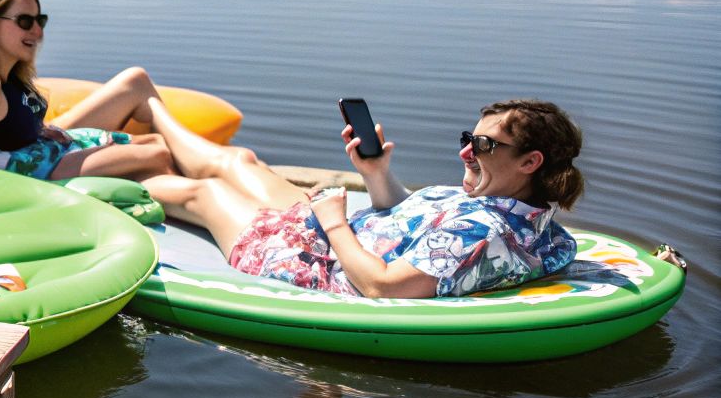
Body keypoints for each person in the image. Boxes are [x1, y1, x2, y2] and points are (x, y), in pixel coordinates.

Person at [140, 96, 583, 298]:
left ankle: (99, 179)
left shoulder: (482, 231)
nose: (466, 151)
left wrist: (333, 219)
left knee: (207, 191)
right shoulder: (528, 215)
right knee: (239, 160)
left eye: (484, 146)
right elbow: (410, 222)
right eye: (470, 137)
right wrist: (377, 174)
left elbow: (380, 286)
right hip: (327, 232)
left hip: (309, 260)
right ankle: (151, 110)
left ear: (530, 163)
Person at [0, 0, 173, 182]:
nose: (37, 31)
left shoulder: (13, 74)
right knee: (158, 153)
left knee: (153, 142)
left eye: (40, 21)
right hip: (43, 169)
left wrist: (41, 129)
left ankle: (179, 182)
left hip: (49, 152)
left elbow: (6, 126)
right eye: (25, 21)